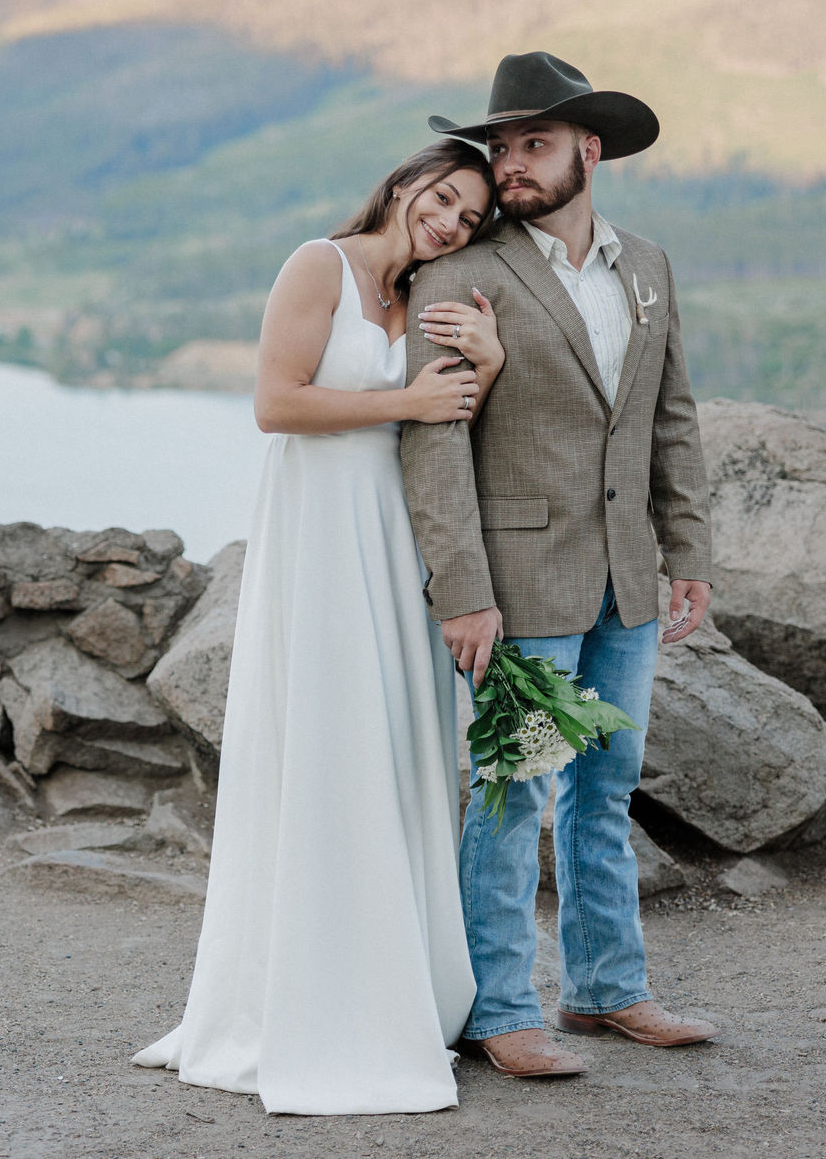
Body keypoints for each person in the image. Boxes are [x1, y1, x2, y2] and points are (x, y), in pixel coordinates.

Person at [133, 140, 500, 1114]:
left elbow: (444, 421)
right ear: (404, 182)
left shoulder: (427, 299)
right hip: (319, 536)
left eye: (468, 219)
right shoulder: (317, 265)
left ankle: (403, 985)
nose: (451, 223)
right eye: (445, 199)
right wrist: (405, 396)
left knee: (397, 747)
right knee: (325, 743)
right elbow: (274, 402)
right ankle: (304, 998)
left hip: (392, 540)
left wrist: (484, 367)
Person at [402, 51, 719, 1080]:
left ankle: (605, 990)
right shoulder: (462, 274)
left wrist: (686, 553)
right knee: (513, 787)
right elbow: (434, 441)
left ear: (590, 147)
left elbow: (667, 420)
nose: (509, 165)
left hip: (625, 582)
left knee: (606, 785)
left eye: (531, 143)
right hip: (521, 592)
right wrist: (461, 590)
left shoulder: (646, 268)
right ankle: (495, 1005)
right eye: (498, 146)